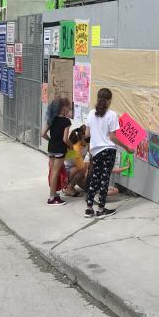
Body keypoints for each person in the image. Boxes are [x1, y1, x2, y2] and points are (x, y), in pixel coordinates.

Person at [84, 88, 134, 219]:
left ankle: (89, 208)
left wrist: (90, 148)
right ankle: (101, 209)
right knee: (105, 179)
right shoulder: (112, 115)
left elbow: (87, 135)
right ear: (110, 100)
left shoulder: (90, 114)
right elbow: (112, 137)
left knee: (95, 177)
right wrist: (127, 147)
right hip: (108, 151)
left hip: (95, 151)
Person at [41, 97, 72, 206]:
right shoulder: (66, 121)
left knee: (52, 171)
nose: (69, 110)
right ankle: (52, 198)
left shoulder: (51, 119)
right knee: (55, 172)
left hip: (51, 148)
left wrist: (51, 140)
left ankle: (53, 194)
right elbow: (65, 139)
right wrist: (71, 146)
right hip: (60, 149)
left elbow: (43, 133)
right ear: (63, 108)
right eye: (68, 108)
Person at [64, 126, 89, 196]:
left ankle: (70, 186)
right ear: (83, 136)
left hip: (75, 170)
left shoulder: (86, 144)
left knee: (86, 166)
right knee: (86, 165)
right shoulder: (76, 148)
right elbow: (82, 168)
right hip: (67, 172)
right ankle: (69, 187)